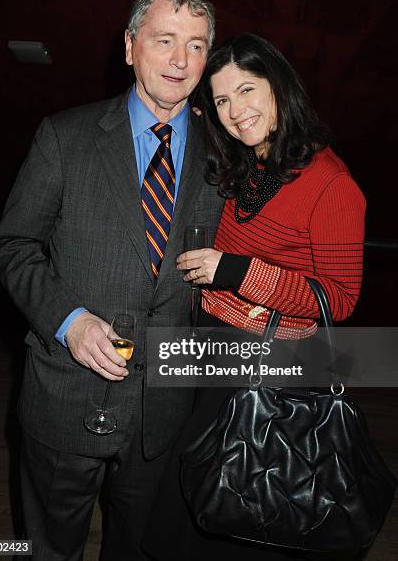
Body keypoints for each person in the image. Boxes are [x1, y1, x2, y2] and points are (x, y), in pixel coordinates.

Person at [0, 0, 224, 561]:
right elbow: (13, 244)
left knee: (140, 549)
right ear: (129, 47)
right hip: (66, 398)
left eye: (195, 45)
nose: (179, 59)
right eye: (164, 40)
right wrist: (67, 320)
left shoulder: (225, 153)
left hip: (164, 409)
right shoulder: (64, 138)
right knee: (47, 547)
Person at [143, 33, 366, 560]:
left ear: (280, 88)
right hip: (215, 350)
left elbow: (338, 297)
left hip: (274, 362)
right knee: (193, 492)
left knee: (242, 505)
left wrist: (236, 271)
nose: (235, 110)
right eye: (222, 100)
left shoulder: (331, 183)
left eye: (246, 90)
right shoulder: (248, 165)